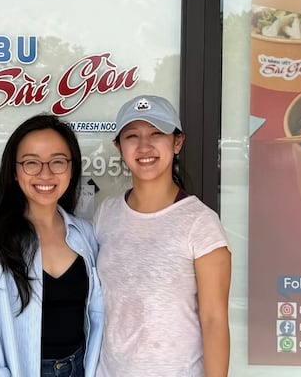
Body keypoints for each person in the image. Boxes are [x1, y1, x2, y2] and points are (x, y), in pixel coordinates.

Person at [93, 94, 232, 376]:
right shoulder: (105, 214)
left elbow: (214, 320)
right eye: (132, 136)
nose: (145, 146)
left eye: (157, 133)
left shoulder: (200, 223)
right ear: (118, 146)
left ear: (177, 142)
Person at [0, 114, 103, 377]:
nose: (45, 173)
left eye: (58, 162)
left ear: (71, 168)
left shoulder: (86, 236)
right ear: (15, 172)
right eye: (31, 163)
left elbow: (96, 321)